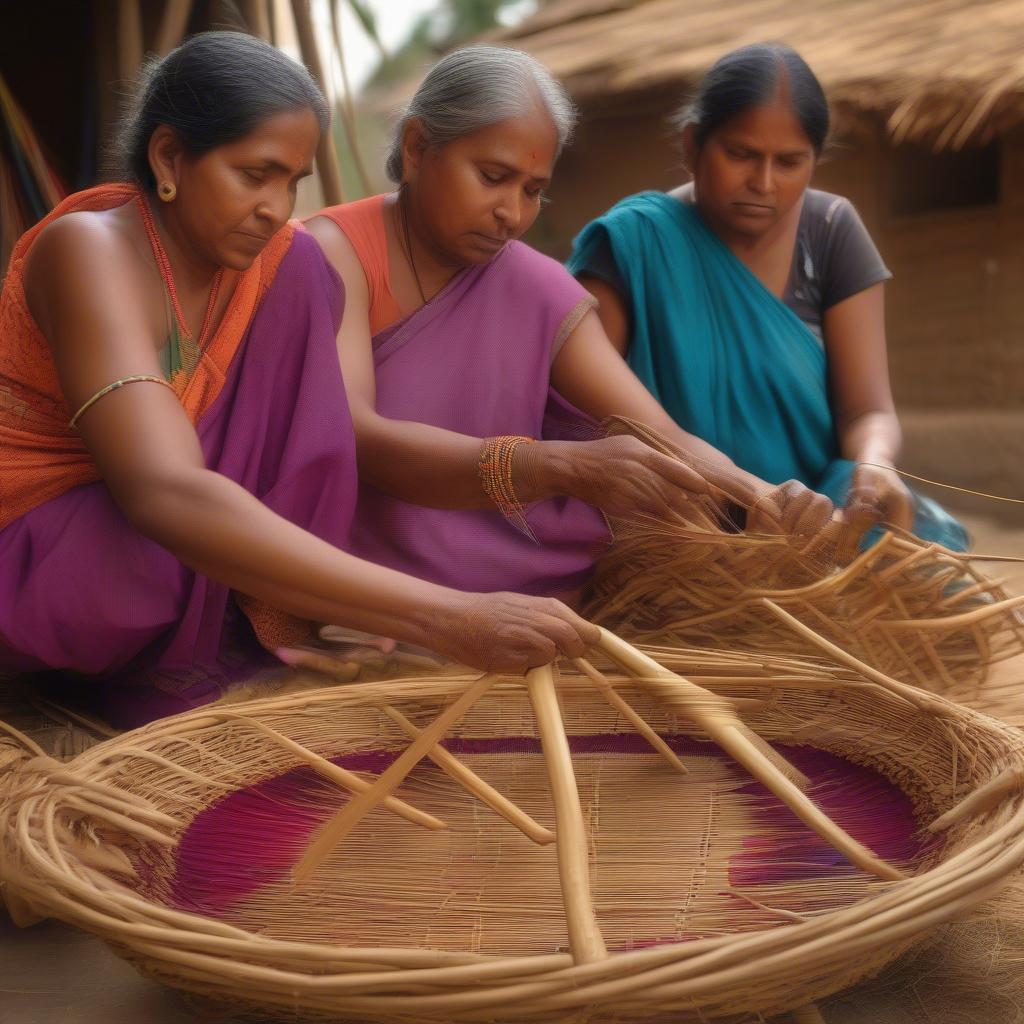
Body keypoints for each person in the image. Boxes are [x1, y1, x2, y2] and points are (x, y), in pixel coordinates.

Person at [0, 32, 600, 730]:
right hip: (44, 540)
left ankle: (268, 617)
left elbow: (300, 454)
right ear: (169, 157)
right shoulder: (87, 251)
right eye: (254, 174)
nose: (276, 207)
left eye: (292, 182)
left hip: (169, 534)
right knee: (150, 559)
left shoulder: (278, 267)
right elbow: (162, 490)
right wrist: (447, 613)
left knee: (301, 270)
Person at [306, 45, 833, 605]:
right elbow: (355, 434)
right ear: (416, 148)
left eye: (533, 190)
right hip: (361, 588)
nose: (512, 211)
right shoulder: (335, 253)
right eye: (492, 177)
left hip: (527, 597)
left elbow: (658, 434)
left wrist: (766, 496)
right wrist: (553, 465)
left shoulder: (538, 286)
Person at [568, 42, 967, 550]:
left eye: (789, 162)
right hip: (679, 516)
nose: (763, 182)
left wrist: (874, 463)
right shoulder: (634, 245)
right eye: (740, 154)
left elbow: (865, 410)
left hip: (819, 511)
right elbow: (590, 415)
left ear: (815, 161)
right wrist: (732, 492)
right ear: (692, 146)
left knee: (926, 577)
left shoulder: (830, 233)